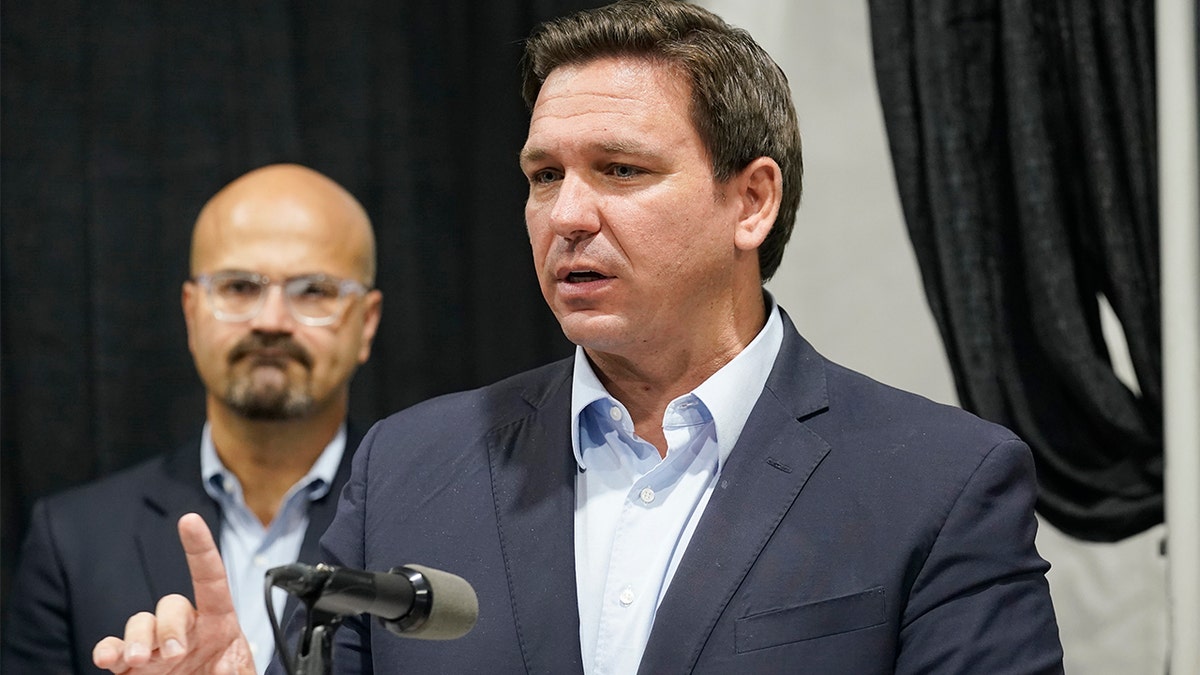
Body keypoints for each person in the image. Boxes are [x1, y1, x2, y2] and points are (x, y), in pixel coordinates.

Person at [90, 2, 1064, 673]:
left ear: (752, 200)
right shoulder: (412, 467)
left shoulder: (938, 484)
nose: (567, 214)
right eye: (544, 174)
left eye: (621, 169)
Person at [1, 163, 383, 675]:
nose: (270, 321)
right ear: (191, 311)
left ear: (367, 324)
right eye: (239, 287)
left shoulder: (423, 526)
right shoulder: (72, 541)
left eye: (313, 291)